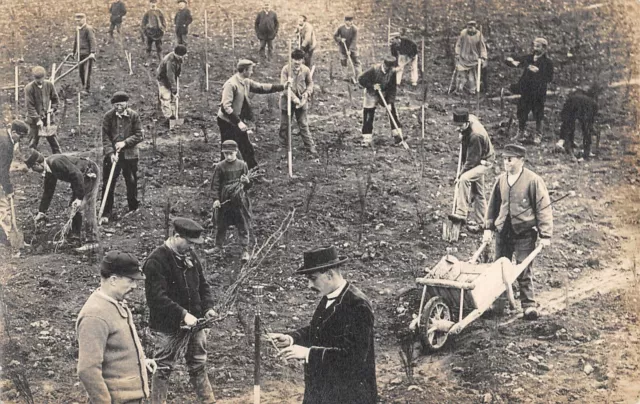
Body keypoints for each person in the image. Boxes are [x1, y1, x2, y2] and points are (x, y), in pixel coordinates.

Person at [267, 246, 377, 404]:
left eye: (313, 278)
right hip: (322, 392)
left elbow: (354, 358)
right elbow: (319, 329)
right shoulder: (329, 296)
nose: (309, 286)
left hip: (349, 396)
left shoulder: (358, 305)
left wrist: (308, 354)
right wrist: (291, 338)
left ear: (330, 275)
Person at [143, 217, 216, 404]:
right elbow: (156, 299)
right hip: (167, 327)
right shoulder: (156, 261)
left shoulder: (190, 257)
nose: (192, 247)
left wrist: (208, 308)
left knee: (199, 364)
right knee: (163, 368)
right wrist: (183, 314)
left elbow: (203, 285)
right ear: (176, 236)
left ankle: (208, 401)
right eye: (189, 242)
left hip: (195, 324)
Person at [483, 144, 553, 320]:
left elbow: (543, 208)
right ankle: (497, 305)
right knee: (499, 268)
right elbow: (493, 205)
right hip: (503, 232)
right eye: (505, 159)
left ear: (521, 160)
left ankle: (528, 305)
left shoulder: (533, 180)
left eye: (510, 159)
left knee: (523, 268)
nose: (507, 162)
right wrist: (488, 228)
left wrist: (545, 235)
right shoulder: (500, 180)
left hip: (524, 233)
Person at [77, 250, 156, 404]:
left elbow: (116, 350)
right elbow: (87, 369)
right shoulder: (95, 315)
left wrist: (140, 362)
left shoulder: (115, 303)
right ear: (113, 280)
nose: (134, 286)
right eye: (130, 280)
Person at [217, 59, 286, 171]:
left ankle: (253, 172)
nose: (252, 72)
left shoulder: (246, 81)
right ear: (244, 70)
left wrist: (282, 87)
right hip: (226, 121)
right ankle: (224, 173)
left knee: (245, 147)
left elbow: (261, 87)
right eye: (250, 70)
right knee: (228, 147)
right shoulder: (231, 84)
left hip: (236, 120)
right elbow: (225, 107)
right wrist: (238, 122)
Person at [27, 150, 99, 251]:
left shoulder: (55, 162)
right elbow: (48, 191)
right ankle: (74, 239)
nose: (32, 170)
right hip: (79, 178)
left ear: (37, 164)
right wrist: (41, 211)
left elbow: (77, 174)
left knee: (86, 206)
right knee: (73, 207)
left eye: (32, 168)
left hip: (89, 173)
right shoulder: (49, 169)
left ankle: (92, 241)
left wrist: (79, 198)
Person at [447, 109, 494, 233]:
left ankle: (461, 213)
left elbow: (471, 162)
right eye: (456, 126)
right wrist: (462, 133)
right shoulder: (470, 118)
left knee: (464, 179)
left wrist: (460, 174)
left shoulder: (475, 136)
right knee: (478, 192)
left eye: (460, 126)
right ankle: (482, 223)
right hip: (478, 155)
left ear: (467, 123)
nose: (458, 129)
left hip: (484, 161)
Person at [100, 91, 143, 225]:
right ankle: (106, 212)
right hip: (113, 156)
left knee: (131, 181)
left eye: (120, 104)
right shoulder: (108, 117)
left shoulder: (133, 116)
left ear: (126, 103)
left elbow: (139, 135)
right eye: (115, 105)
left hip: (130, 156)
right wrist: (110, 153)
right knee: (108, 183)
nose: (118, 107)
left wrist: (125, 143)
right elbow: (105, 136)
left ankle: (133, 208)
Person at [505, 37, 554, 144]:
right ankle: (520, 132)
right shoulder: (528, 58)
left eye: (538, 46)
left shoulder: (547, 62)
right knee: (522, 111)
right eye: (534, 46)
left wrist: (539, 72)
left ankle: (538, 135)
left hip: (538, 92)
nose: (535, 48)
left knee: (538, 113)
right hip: (526, 91)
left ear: (544, 48)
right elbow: (512, 60)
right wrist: (518, 63)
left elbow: (549, 78)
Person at [210, 140, 253, 262]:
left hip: (239, 200)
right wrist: (216, 199)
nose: (228, 156)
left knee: (242, 224)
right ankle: (218, 246)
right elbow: (215, 185)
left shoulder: (242, 165)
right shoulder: (220, 167)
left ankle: (245, 250)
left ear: (236, 152)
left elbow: (248, 187)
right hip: (225, 200)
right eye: (226, 154)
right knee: (221, 224)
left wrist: (246, 182)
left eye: (231, 153)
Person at [358, 56, 405, 146]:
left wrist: (390, 102)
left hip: (383, 92)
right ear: (384, 64)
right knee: (368, 113)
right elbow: (361, 79)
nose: (389, 69)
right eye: (388, 67)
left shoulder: (392, 72)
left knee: (392, 111)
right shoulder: (374, 70)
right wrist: (372, 86)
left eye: (391, 68)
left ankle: (398, 135)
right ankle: (366, 138)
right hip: (371, 93)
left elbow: (392, 88)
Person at [279, 49, 317, 155]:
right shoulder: (286, 70)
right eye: (295, 59)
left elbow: (310, 84)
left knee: (303, 125)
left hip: (302, 102)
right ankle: (283, 147)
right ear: (291, 59)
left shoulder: (306, 70)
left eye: (299, 59)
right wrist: (294, 98)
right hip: (287, 102)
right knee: (285, 125)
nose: (297, 62)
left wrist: (306, 94)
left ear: (302, 60)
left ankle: (310, 147)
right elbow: (284, 87)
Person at [0, 120, 29, 246]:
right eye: (20, 136)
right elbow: (2, 169)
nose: (21, 140)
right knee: (3, 205)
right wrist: (8, 189)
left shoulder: (4, 136)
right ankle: (7, 237)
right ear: (13, 132)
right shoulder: (6, 144)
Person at [556, 85, 601, 159]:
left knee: (568, 126)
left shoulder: (582, 99)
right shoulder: (593, 104)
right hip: (574, 106)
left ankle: (566, 145)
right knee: (586, 129)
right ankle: (585, 152)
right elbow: (588, 126)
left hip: (570, 104)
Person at [24, 66, 61, 154]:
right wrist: (37, 119)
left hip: (48, 119)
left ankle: (59, 160)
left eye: (41, 78)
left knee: (54, 143)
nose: (39, 81)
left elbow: (55, 99)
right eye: (37, 79)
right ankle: (31, 162)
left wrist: (53, 109)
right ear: (34, 77)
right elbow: (30, 106)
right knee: (32, 143)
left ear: (44, 77)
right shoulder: (29, 88)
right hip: (34, 121)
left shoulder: (49, 85)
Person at [454, 21, 487, 95]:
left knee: (472, 78)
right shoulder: (463, 33)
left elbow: (482, 47)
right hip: (463, 57)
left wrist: (483, 57)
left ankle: (472, 91)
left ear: (475, 27)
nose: (470, 29)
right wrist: (457, 54)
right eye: (468, 27)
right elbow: (458, 44)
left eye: (472, 27)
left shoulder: (479, 35)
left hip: (474, 59)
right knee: (461, 75)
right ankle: (459, 90)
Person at [156, 45, 187, 124]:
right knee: (166, 97)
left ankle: (174, 115)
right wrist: (174, 90)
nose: (185, 56)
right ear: (178, 55)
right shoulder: (170, 61)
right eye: (183, 55)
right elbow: (170, 76)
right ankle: (168, 118)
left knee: (173, 98)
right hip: (163, 79)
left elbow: (174, 73)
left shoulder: (178, 58)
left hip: (172, 78)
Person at [72, 13, 97, 93]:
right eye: (77, 21)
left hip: (87, 54)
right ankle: (83, 86)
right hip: (80, 53)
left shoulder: (88, 29)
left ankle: (87, 89)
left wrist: (92, 52)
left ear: (84, 19)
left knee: (86, 72)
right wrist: (74, 52)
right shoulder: (78, 29)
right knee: (81, 72)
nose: (78, 22)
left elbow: (92, 41)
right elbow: (76, 41)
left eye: (79, 21)